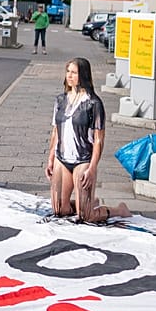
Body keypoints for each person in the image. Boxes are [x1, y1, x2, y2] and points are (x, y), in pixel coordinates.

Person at [47, 57, 130, 221]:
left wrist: (92, 168)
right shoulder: (60, 100)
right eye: (68, 71)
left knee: (86, 216)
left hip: (83, 159)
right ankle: (83, 201)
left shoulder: (93, 103)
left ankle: (118, 210)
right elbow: (56, 132)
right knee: (59, 211)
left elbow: (99, 140)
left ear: (83, 75)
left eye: (74, 72)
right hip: (61, 159)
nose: (69, 76)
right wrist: (50, 158)